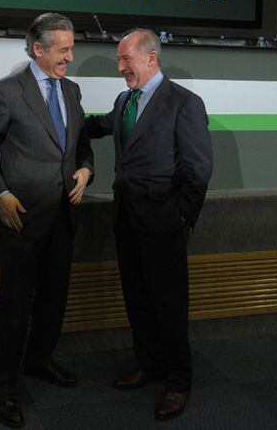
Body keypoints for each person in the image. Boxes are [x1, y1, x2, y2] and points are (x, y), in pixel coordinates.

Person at [0, 13, 93, 428]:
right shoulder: (5, 93)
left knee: (53, 301)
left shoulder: (72, 92)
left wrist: (86, 171)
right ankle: (1, 386)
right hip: (21, 219)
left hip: (63, 219)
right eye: (63, 49)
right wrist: (0, 194)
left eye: (71, 48)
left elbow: (79, 146)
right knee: (14, 307)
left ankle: (39, 362)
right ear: (38, 49)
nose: (70, 57)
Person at [86, 29, 213, 421]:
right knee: (137, 297)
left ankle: (178, 381)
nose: (120, 67)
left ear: (151, 58)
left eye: (126, 59)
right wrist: (59, 120)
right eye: (120, 60)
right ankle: (149, 364)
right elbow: (101, 125)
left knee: (169, 304)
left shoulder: (184, 103)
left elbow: (198, 169)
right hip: (126, 219)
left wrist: (179, 217)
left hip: (164, 223)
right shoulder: (125, 100)